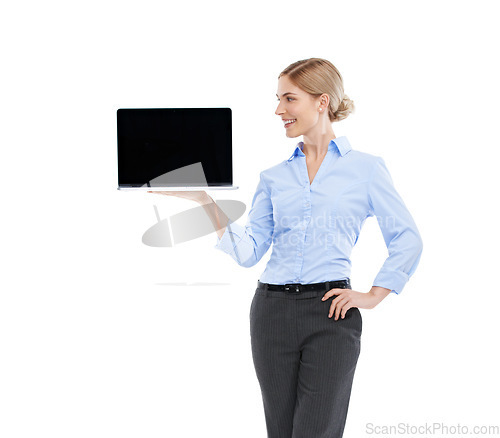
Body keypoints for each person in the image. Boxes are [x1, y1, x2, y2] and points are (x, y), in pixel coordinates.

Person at [148, 57, 423, 438]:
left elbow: (407, 238)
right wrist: (203, 200)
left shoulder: (366, 169)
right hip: (271, 313)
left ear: (321, 101)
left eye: (289, 99)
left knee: (316, 431)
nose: (279, 110)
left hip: (331, 314)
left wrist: (374, 295)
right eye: (278, 99)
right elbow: (249, 253)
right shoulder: (274, 177)